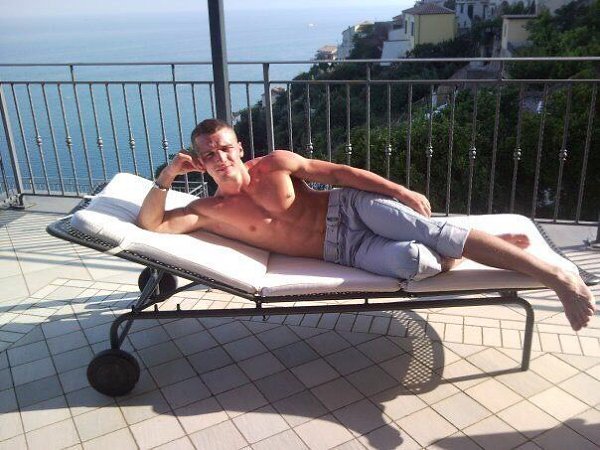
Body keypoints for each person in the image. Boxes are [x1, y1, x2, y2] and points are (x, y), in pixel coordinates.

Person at [137, 119, 595, 331]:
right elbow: (152, 224)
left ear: (239, 148)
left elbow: (340, 174)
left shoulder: (275, 163)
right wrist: (167, 175)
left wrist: (399, 190)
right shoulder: (209, 210)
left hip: (351, 209)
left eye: (225, 148)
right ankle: (470, 249)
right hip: (345, 252)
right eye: (209, 154)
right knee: (415, 262)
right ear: (200, 162)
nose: (220, 157)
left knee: (432, 232)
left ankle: (558, 278)